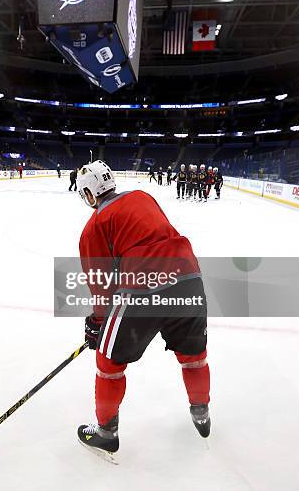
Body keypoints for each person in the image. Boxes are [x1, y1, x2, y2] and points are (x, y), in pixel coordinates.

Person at [76, 160, 210, 461]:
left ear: (89, 193)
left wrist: (98, 323)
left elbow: (100, 283)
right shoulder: (142, 196)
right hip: (190, 276)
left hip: (143, 285)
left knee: (108, 363)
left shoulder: (93, 227)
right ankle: (201, 413)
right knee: (193, 357)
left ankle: (106, 433)